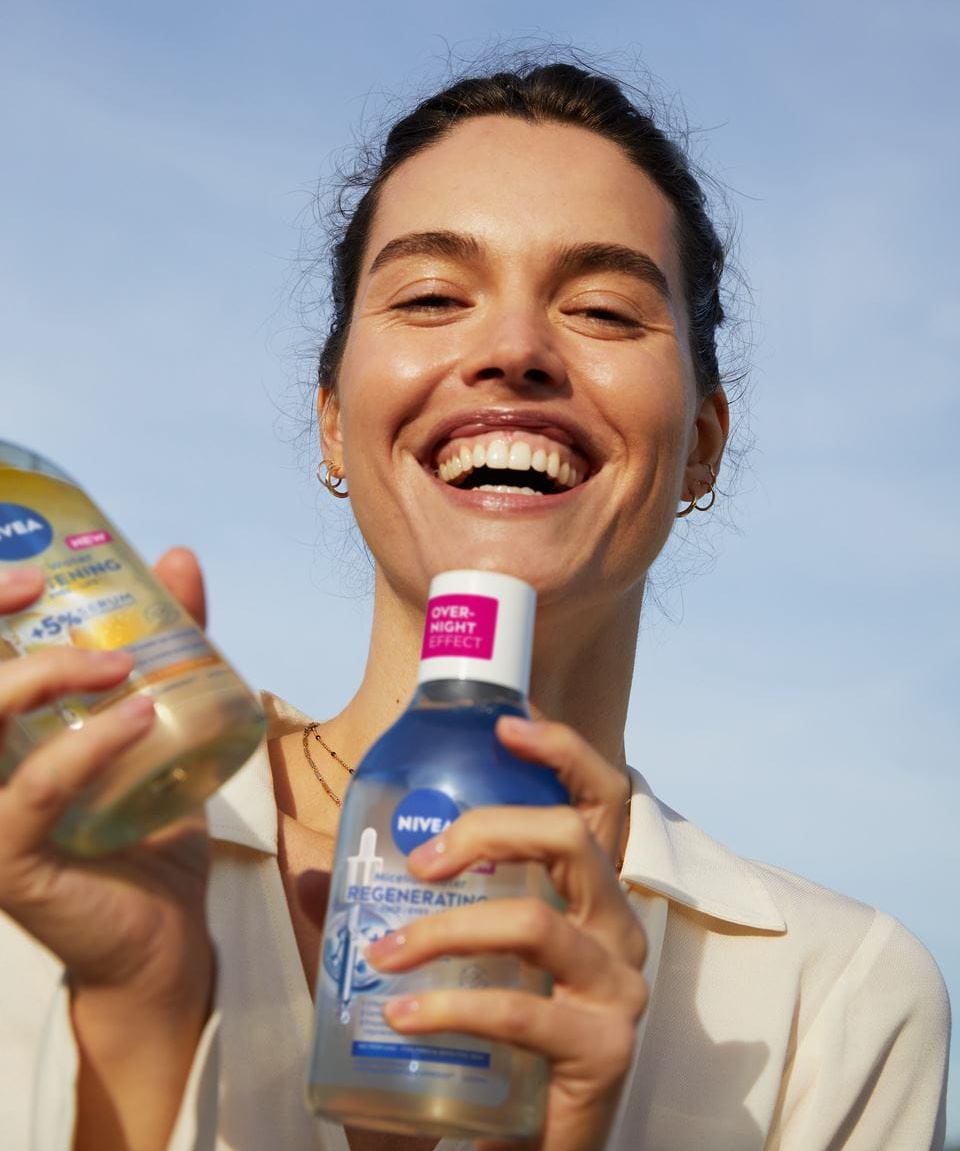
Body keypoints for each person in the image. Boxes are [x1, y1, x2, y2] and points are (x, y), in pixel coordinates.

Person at [0, 61, 950, 1151]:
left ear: (701, 448)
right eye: (432, 298)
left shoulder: (835, 1001)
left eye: (601, 308)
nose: (512, 352)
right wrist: (137, 1021)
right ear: (331, 425)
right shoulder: (61, 860)